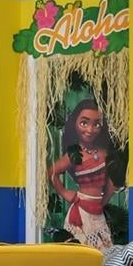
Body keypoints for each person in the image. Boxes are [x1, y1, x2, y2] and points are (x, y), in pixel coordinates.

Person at [48, 97, 116, 250]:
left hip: (98, 213)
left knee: (104, 252)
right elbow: (52, 172)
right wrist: (65, 192)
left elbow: (112, 181)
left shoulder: (103, 152)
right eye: (84, 123)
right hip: (80, 214)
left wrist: (103, 200)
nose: (90, 130)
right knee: (82, 253)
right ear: (75, 124)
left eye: (96, 124)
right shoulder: (74, 154)